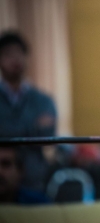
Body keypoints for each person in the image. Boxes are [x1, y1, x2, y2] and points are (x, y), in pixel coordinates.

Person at [0, 31, 58, 191]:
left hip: (35, 180)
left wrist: (9, 131)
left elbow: (48, 136)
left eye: (20, 53)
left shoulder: (44, 100)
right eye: (8, 54)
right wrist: (33, 128)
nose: (15, 59)